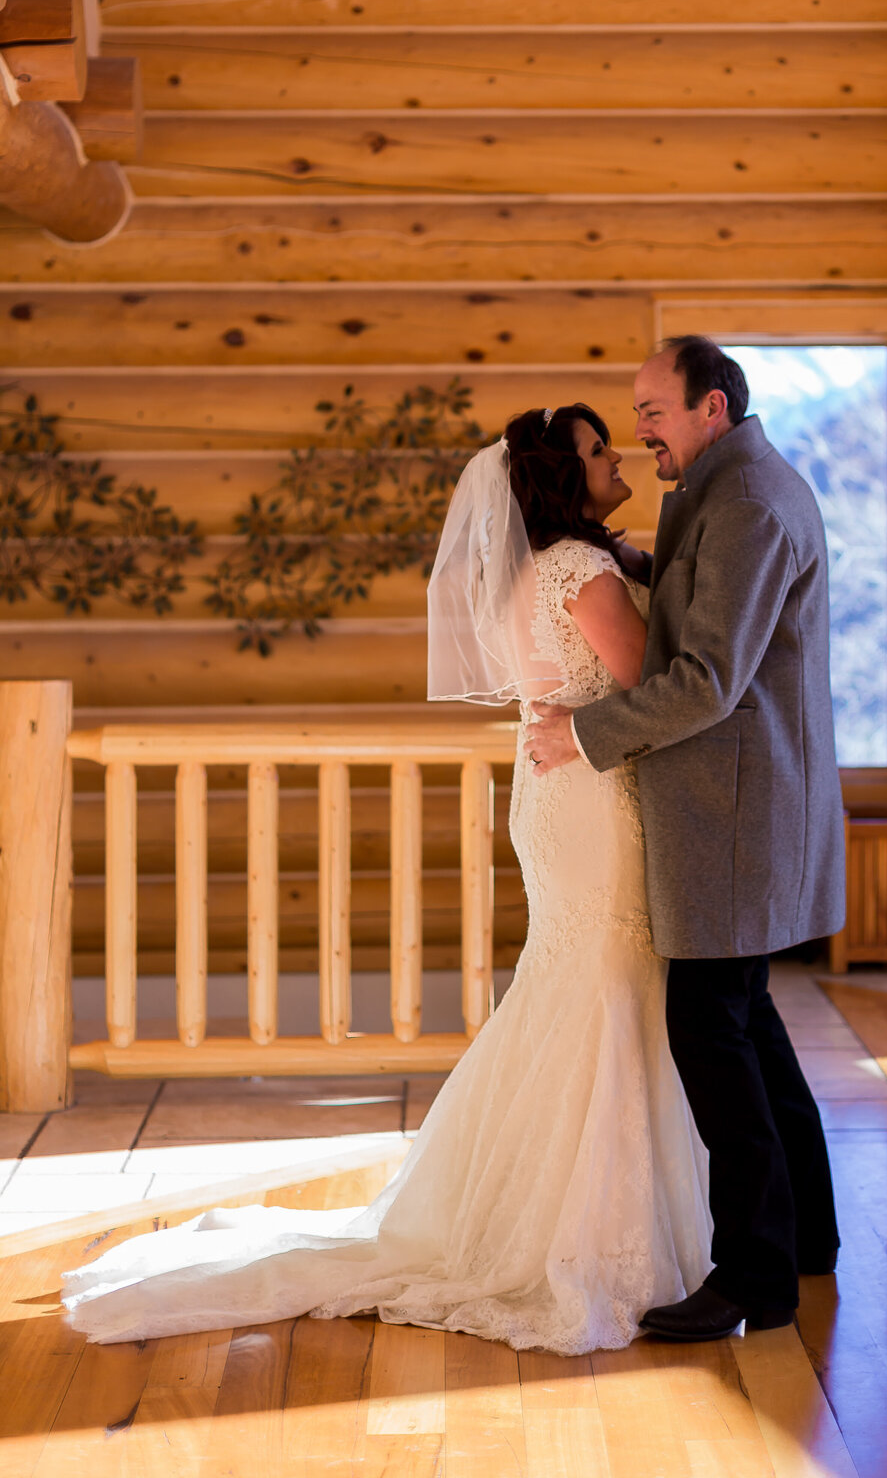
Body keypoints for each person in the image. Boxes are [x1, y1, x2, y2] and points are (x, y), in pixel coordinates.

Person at [61, 404, 711, 1354]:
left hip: (551, 795)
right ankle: (586, 1234)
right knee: (608, 983)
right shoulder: (581, 571)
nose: (616, 457)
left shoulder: (537, 569)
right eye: (596, 449)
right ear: (562, 480)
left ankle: (530, 1208)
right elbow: (654, 688)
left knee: (573, 984)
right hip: (592, 801)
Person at [527, 337, 845, 1343]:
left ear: (711, 406)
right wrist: (638, 563)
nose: (639, 431)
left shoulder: (745, 501)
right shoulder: (732, 485)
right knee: (745, 1019)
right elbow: (714, 599)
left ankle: (754, 1275)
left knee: (712, 1029)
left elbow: (709, 676)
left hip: (735, 811)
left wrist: (582, 735)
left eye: (652, 411)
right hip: (741, 803)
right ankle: (809, 1239)